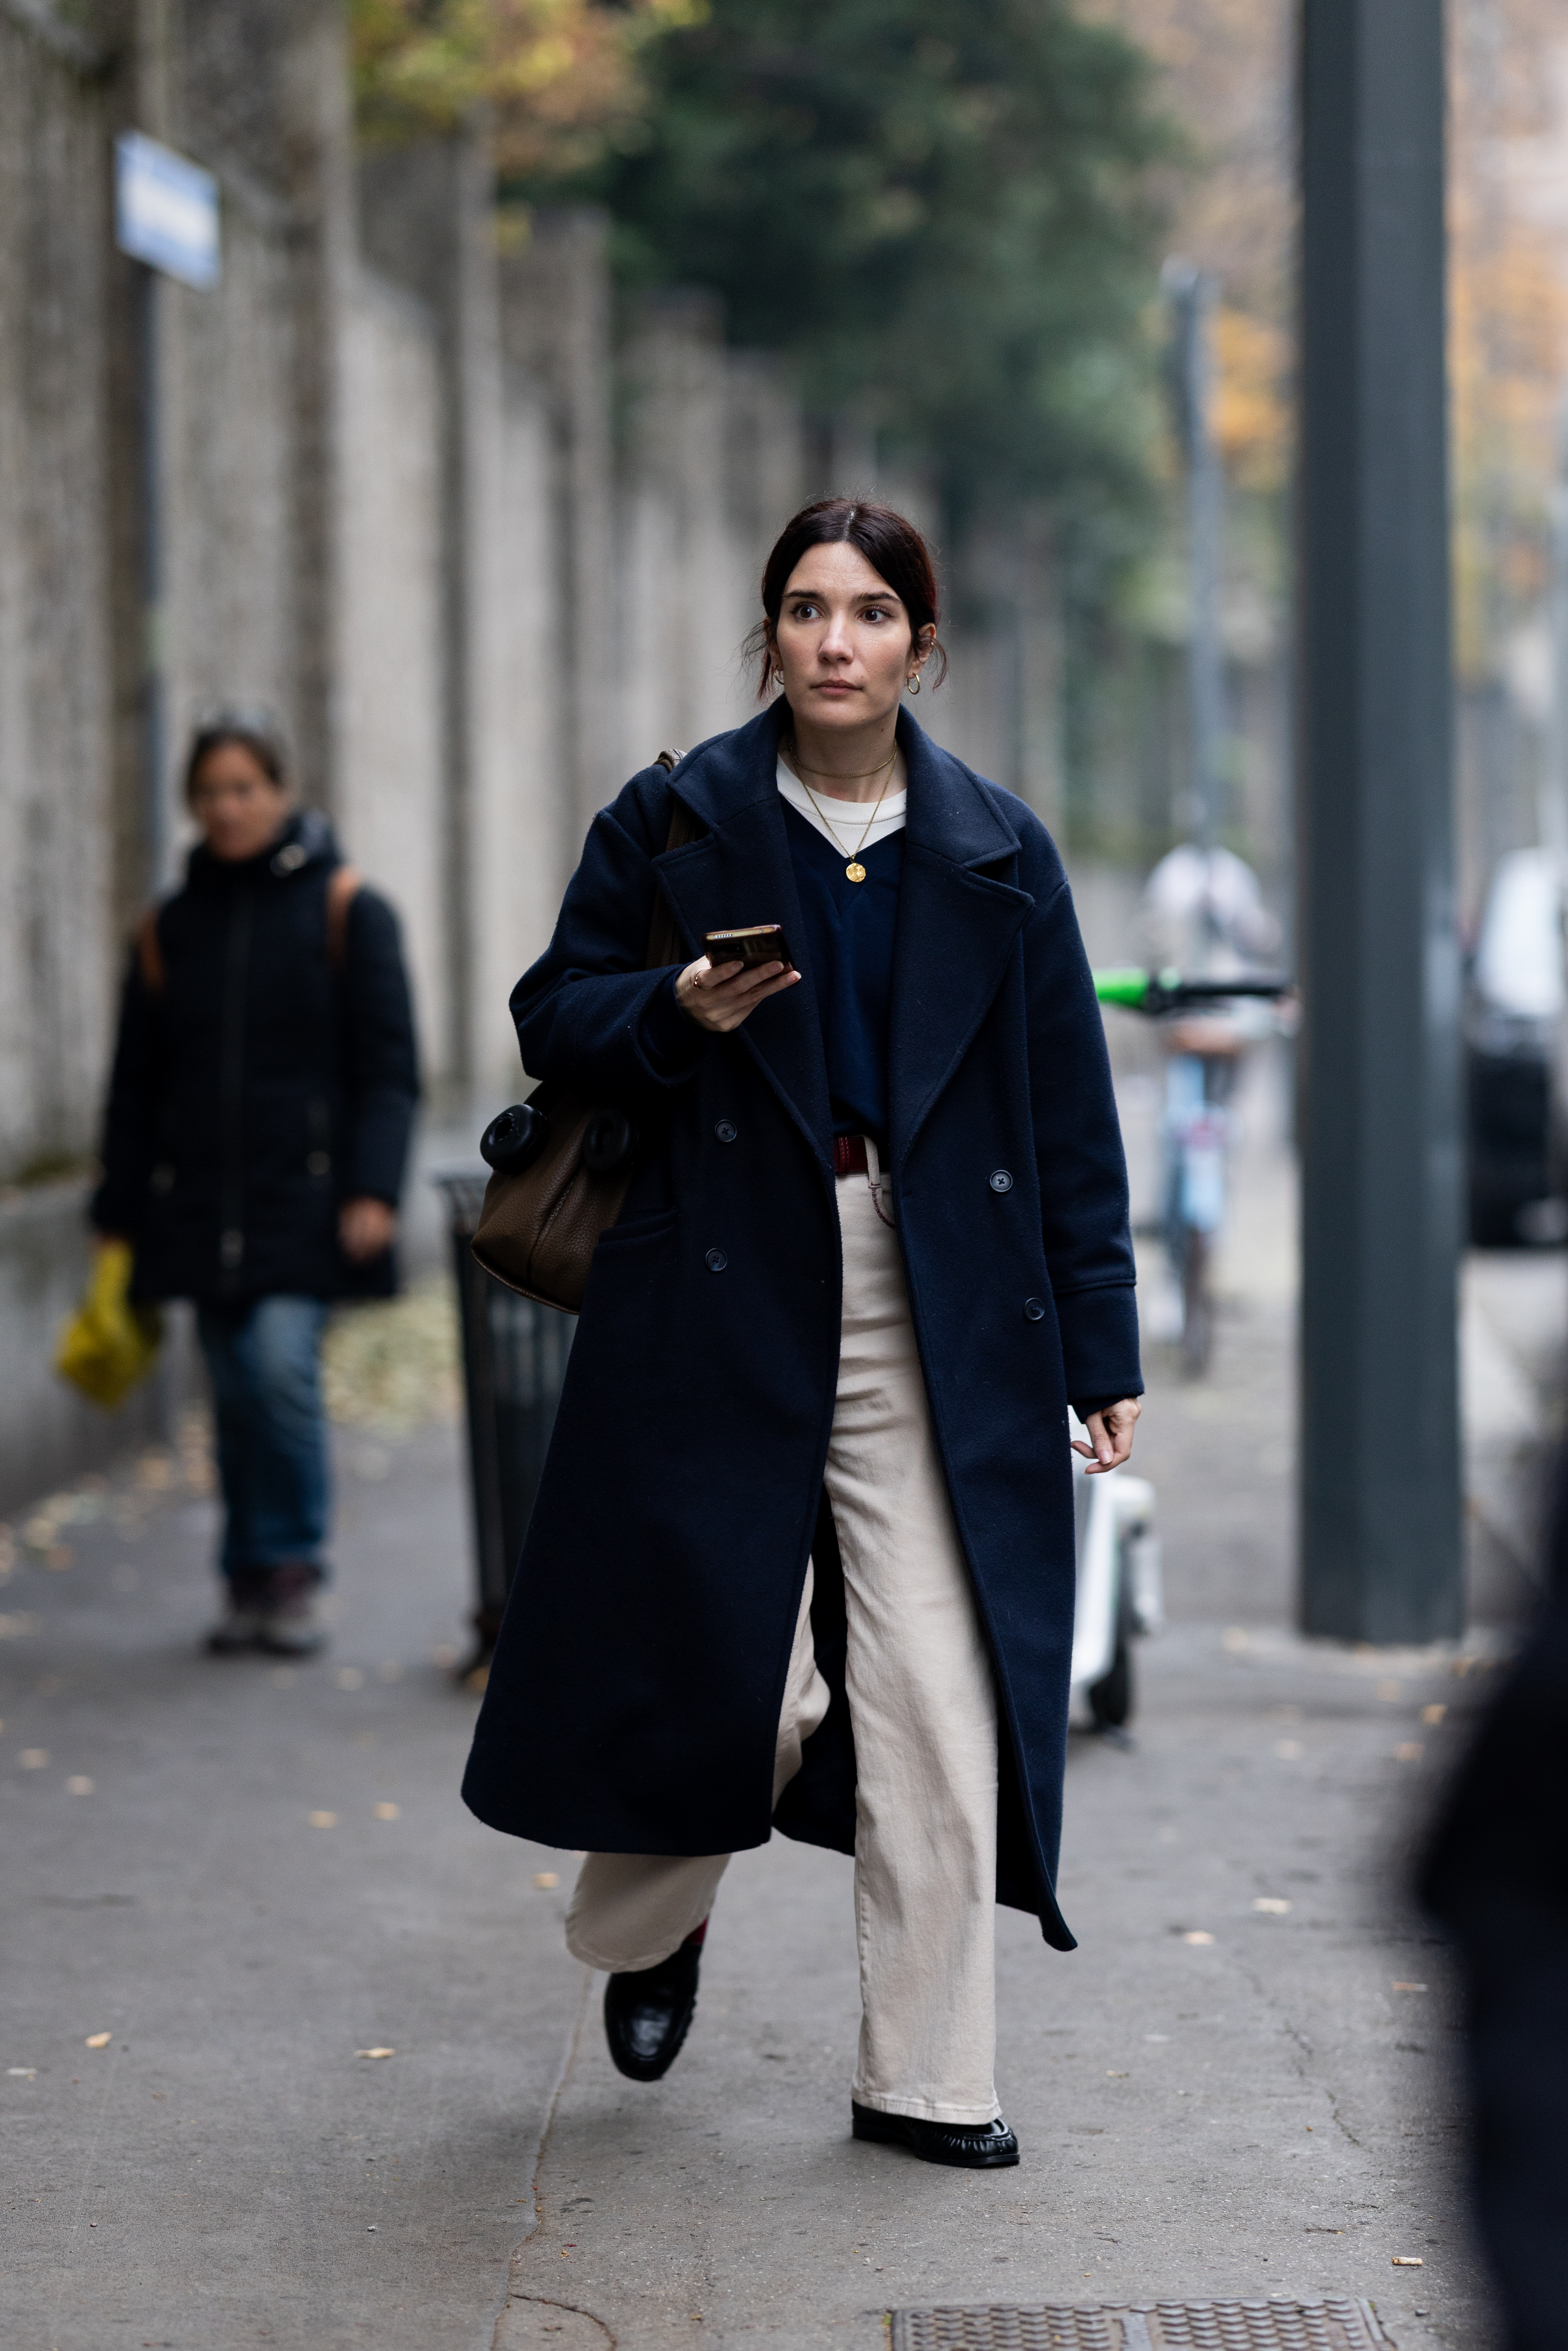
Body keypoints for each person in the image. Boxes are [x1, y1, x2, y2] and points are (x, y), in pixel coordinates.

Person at [462, 499, 1142, 2168]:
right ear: (767, 633)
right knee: (739, 1681)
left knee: (933, 1690)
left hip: (933, 1296)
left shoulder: (997, 850)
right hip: (720, 1278)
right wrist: (671, 1008)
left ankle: (928, 2075)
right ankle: (656, 1925)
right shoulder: (676, 813)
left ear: (921, 641)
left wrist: (1098, 1344)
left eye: (870, 611)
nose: (836, 640)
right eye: (805, 608)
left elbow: (1065, 1112)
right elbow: (551, 1009)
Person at [92, 716, 419, 1656]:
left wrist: (374, 1188)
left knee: (278, 1369)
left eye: (244, 787)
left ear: (281, 792)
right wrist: (118, 1211)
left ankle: (290, 1568)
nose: (227, 807)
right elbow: (135, 1085)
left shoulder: (348, 909)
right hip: (199, 1205)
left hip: (306, 1200)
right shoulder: (168, 928)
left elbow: (389, 1070)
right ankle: (246, 1574)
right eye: (209, 792)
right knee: (233, 1391)